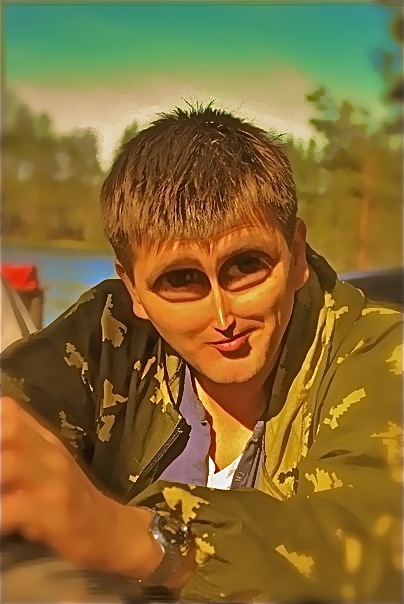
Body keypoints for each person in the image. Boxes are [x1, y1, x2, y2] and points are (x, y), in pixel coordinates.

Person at [1, 105, 402, 603]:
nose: (222, 315)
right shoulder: (109, 335)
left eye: (247, 266)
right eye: (181, 279)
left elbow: (377, 542)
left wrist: (145, 542)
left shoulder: (379, 353)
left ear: (297, 254)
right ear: (134, 289)